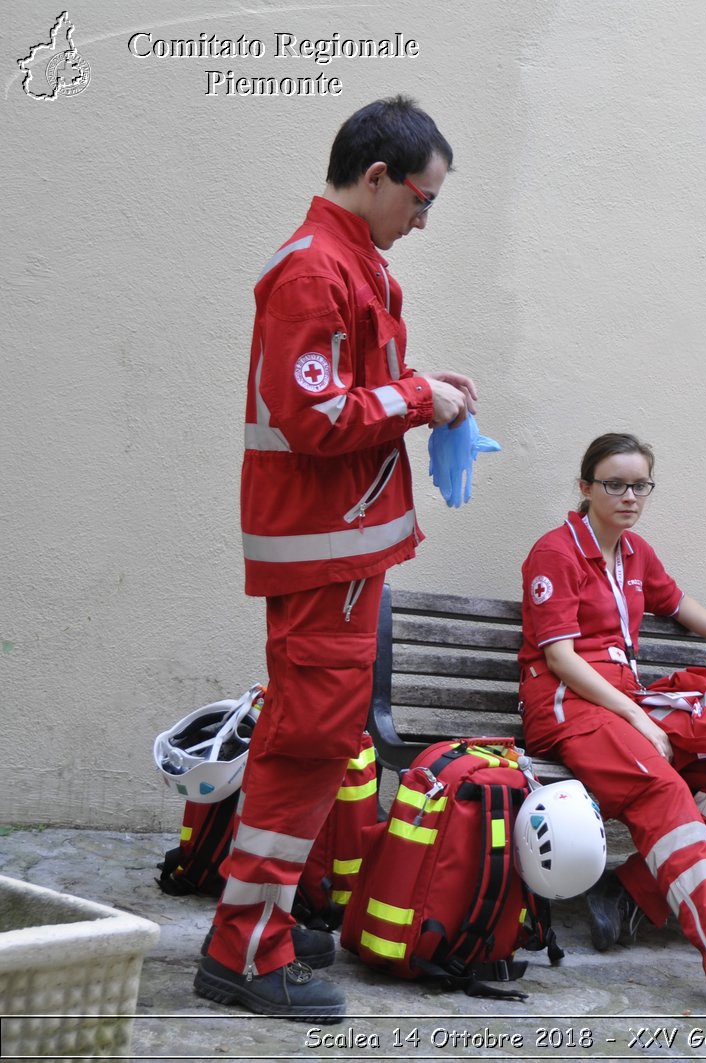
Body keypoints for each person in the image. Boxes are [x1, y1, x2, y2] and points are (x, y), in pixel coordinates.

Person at [196, 96, 478, 1021]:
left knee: (314, 747)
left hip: (338, 554)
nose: (425, 220)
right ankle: (245, 949)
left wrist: (424, 393)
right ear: (377, 178)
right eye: (422, 200)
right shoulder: (316, 269)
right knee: (307, 745)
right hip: (325, 559)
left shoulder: (349, 264)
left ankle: (266, 922)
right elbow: (313, 416)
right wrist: (413, 396)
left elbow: (342, 392)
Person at [518, 432, 706, 1008]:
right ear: (585, 488)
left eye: (639, 485)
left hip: (624, 703)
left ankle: (628, 893)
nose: (628, 496)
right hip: (569, 707)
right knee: (659, 783)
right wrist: (637, 718)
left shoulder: (635, 552)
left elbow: (674, 601)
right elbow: (560, 658)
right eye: (614, 484)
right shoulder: (555, 552)